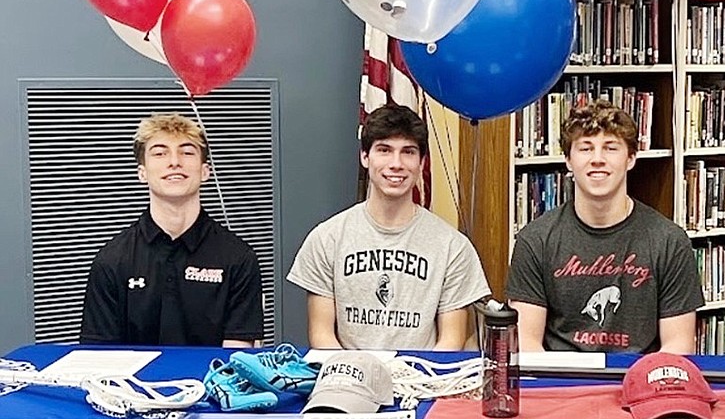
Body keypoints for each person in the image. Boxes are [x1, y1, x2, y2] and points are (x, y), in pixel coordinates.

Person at [287, 103, 489, 350]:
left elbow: (450, 342)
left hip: (423, 381)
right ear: (365, 156)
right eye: (384, 150)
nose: (396, 164)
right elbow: (322, 337)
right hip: (349, 380)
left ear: (422, 161)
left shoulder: (453, 247)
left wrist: (415, 381)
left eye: (408, 152)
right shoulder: (326, 239)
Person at [506, 100, 702, 353]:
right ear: (568, 160)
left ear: (631, 158)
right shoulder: (535, 241)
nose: (597, 159)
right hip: (561, 382)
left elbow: (679, 345)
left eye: (611, 148)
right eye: (586, 149)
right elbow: (527, 343)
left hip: (640, 382)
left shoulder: (669, 241)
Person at [80, 113, 263, 348]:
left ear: (205, 172)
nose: (174, 162)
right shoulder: (112, 261)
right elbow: (98, 356)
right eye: (159, 153)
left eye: (187, 152)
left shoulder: (239, 258)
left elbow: (236, 358)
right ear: (142, 173)